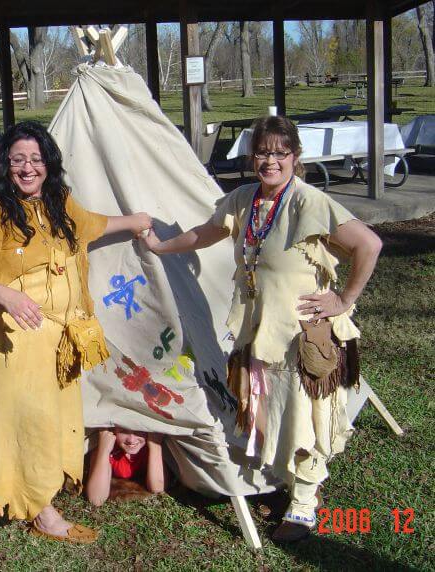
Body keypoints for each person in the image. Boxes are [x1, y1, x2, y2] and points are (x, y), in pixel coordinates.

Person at [142, 116, 382, 542]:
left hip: (301, 335)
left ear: (295, 157)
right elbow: (205, 233)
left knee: (304, 416)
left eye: (279, 153)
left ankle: (305, 506)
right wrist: (161, 246)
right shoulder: (243, 199)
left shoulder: (310, 202)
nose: (269, 161)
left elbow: (369, 244)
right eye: (262, 152)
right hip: (259, 330)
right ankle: (291, 483)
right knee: (271, 413)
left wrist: (344, 299)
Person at [0, 120, 151, 544]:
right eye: (18, 159)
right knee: (28, 423)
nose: (27, 168)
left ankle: (42, 493)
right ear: (5, 164)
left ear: (49, 164)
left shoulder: (59, 201)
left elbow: (91, 225)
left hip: (61, 339)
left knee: (51, 420)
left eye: (36, 159)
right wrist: (3, 295)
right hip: (15, 337)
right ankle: (42, 512)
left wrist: (136, 221)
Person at [85, 428, 166, 506]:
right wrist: (104, 450)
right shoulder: (108, 444)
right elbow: (96, 499)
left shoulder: (149, 445)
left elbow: (157, 489)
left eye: (139, 430)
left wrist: (155, 445)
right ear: (113, 429)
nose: (131, 440)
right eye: (123, 431)